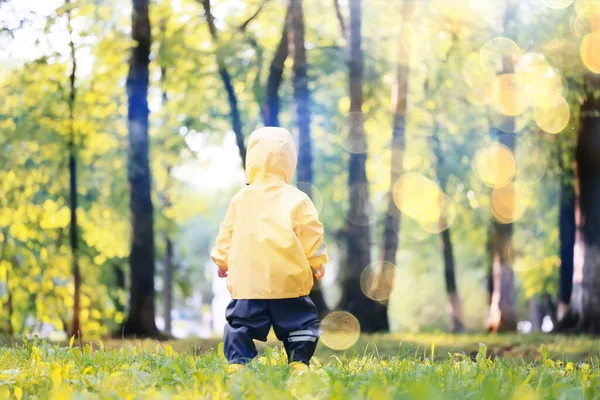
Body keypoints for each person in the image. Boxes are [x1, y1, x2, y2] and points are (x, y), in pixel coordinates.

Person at [211, 126, 328, 373]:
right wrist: (317, 262)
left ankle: (238, 365)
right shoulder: (298, 199)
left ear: (251, 160)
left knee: (239, 325)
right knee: (301, 324)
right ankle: (299, 363)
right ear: (290, 162)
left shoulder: (241, 199)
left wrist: (222, 261)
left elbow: (227, 232)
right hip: (289, 282)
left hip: (248, 283)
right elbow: (312, 233)